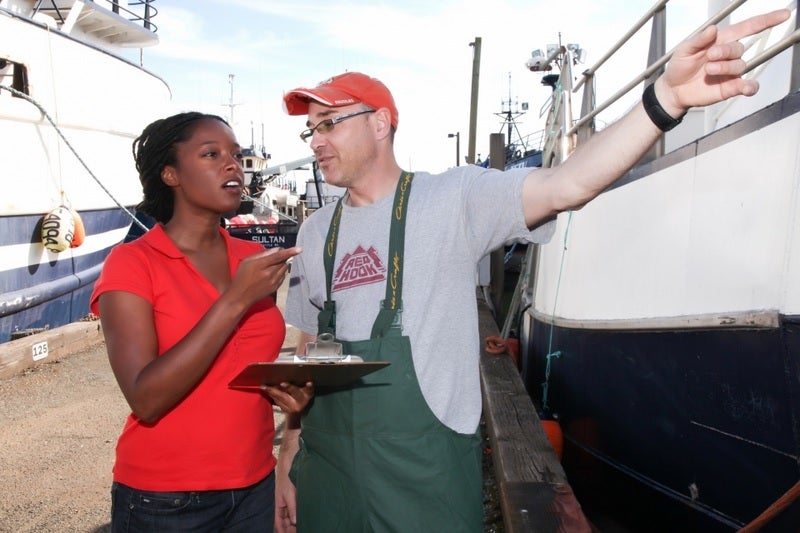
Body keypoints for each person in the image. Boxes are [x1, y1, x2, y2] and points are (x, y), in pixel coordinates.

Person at [275, 9, 791, 533]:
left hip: (423, 485)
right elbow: (306, 349)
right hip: (328, 478)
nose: (316, 140)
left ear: (381, 122)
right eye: (310, 131)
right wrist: (286, 462)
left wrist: (667, 100)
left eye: (329, 123)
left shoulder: (452, 199)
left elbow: (567, 185)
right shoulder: (317, 231)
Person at [90, 111, 312, 532]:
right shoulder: (132, 263)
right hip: (165, 499)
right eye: (212, 154)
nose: (233, 165)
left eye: (235, 153)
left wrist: (290, 401)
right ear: (170, 174)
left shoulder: (251, 260)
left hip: (255, 486)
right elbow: (145, 397)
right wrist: (234, 300)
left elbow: (241, 369)